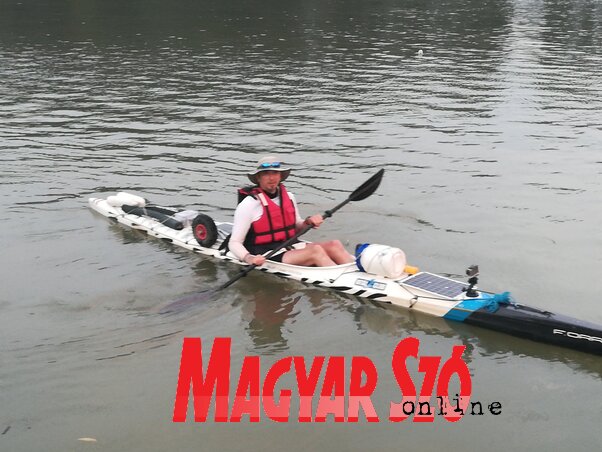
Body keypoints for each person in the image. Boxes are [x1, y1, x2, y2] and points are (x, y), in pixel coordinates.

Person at [229, 155, 355, 267]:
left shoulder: (289, 197)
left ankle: (357, 274)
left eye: (275, 173)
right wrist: (249, 258)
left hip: (290, 246)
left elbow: (296, 226)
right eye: (266, 173)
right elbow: (234, 243)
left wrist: (308, 222)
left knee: (334, 245)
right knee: (316, 251)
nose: (271, 178)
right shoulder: (249, 204)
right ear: (258, 178)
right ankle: (340, 279)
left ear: (280, 176)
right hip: (265, 253)